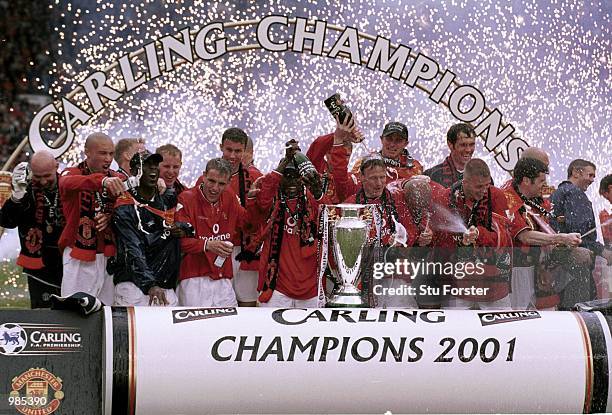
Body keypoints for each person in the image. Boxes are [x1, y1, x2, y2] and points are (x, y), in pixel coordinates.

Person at [110, 151, 193, 306]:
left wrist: (182, 229)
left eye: (155, 166)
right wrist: (150, 285)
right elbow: (133, 249)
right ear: (134, 171)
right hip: (134, 287)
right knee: (134, 331)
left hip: (165, 287)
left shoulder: (168, 198)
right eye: (147, 167)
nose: (153, 171)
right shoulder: (124, 208)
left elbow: (190, 225)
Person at [249, 143, 326, 308]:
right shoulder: (273, 201)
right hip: (277, 287)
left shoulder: (311, 199)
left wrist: (319, 193)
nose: (291, 180)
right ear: (280, 176)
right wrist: (285, 162)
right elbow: (262, 200)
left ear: (302, 178)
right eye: (287, 175)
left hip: (310, 288)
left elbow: (330, 218)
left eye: (296, 175)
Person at [432, 158, 513, 309]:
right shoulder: (447, 198)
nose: (484, 190)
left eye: (486, 185)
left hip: (493, 283)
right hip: (458, 284)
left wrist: (479, 235)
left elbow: (504, 239)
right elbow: (439, 243)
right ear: (465, 183)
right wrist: (460, 241)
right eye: (479, 186)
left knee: (505, 329)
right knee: (454, 330)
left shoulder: (496, 196)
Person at [502, 157, 582, 310]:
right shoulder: (507, 197)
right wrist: (561, 238)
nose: (544, 186)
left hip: (538, 266)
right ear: (526, 180)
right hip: (516, 270)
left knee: (542, 314)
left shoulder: (534, 198)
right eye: (541, 181)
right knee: (520, 314)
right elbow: (525, 236)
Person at [58, 132, 124, 305]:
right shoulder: (71, 172)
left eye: (111, 153)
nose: (108, 159)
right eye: (103, 153)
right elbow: (66, 183)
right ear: (87, 152)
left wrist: (110, 217)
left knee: (105, 312)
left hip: (108, 254)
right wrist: (102, 181)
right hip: (78, 255)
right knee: (74, 309)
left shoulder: (116, 178)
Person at [175, 158, 249, 307]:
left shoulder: (230, 197)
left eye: (221, 184)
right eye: (211, 181)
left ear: (228, 183)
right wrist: (207, 244)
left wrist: (254, 199)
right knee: (195, 330)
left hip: (223, 279)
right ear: (203, 176)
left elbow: (248, 225)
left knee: (229, 328)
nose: (215, 188)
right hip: (194, 279)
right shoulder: (186, 198)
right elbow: (180, 242)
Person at [0, 151, 64, 308]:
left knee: (72, 314)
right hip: (38, 267)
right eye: (38, 176)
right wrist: (16, 197)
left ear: (56, 166)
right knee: (43, 315)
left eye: (47, 176)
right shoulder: (25, 190)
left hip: (68, 264)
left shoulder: (69, 185)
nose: (42, 181)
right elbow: (6, 222)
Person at [550, 160, 612, 309]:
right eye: (590, 175)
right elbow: (581, 234)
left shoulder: (557, 194)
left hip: (559, 271)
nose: (592, 180)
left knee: (568, 314)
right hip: (577, 268)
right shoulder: (575, 193)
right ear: (576, 172)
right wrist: (603, 251)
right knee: (585, 314)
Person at [219, 127, 263, 307]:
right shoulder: (210, 176)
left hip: (246, 250)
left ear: (245, 151)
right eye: (229, 150)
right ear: (221, 147)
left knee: (248, 303)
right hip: (219, 248)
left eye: (238, 151)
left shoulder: (255, 177)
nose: (232, 155)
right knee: (220, 305)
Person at [351, 121, 423, 182]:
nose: (392, 144)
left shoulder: (414, 166)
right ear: (381, 139)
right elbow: (351, 185)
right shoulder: (363, 162)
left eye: (398, 140)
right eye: (389, 139)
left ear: (405, 144)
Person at [424, 123, 476, 188]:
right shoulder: (431, 176)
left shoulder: (482, 175)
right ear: (450, 145)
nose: (468, 150)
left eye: (471, 144)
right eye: (463, 145)